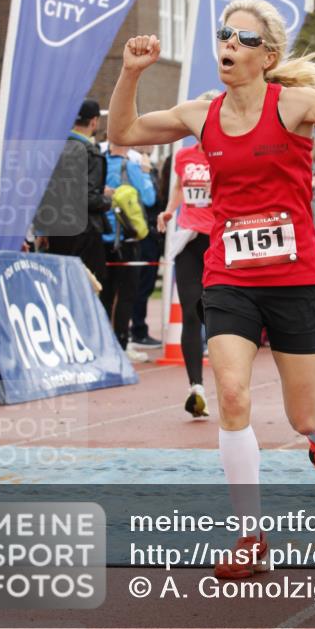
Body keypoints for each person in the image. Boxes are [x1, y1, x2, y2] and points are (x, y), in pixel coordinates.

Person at [107, 0, 315, 577]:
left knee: (299, 414)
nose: (228, 44)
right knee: (232, 397)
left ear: (268, 55)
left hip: (296, 279)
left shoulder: (294, 104)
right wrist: (131, 72)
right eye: (224, 34)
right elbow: (123, 132)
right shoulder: (201, 113)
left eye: (242, 38)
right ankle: (250, 536)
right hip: (230, 276)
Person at [158, 92, 219, 417]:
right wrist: (169, 212)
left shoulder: (230, 153)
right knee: (192, 314)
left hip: (221, 243)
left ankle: (231, 385)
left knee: (221, 317)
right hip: (189, 240)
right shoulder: (184, 157)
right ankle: (196, 387)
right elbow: (180, 189)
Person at [34, 99, 110, 289]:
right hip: (85, 233)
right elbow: (88, 198)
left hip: (57, 231)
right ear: (94, 121)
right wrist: (107, 199)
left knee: (59, 286)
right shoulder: (91, 154)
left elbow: (42, 191)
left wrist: (42, 228)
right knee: (89, 289)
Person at [101, 141, 156, 361]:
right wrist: (145, 173)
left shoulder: (99, 162)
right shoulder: (131, 167)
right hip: (126, 237)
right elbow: (149, 198)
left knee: (105, 294)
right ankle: (121, 344)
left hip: (101, 236)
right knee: (125, 295)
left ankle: (103, 344)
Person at [129, 148, 165, 348]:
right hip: (142, 232)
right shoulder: (136, 165)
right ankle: (137, 331)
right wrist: (145, 173)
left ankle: (136, 330)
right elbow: (149, 199)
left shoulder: (150, 167)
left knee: (145, 284)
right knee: (139, 285)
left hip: (152, 233)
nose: (152, 146)